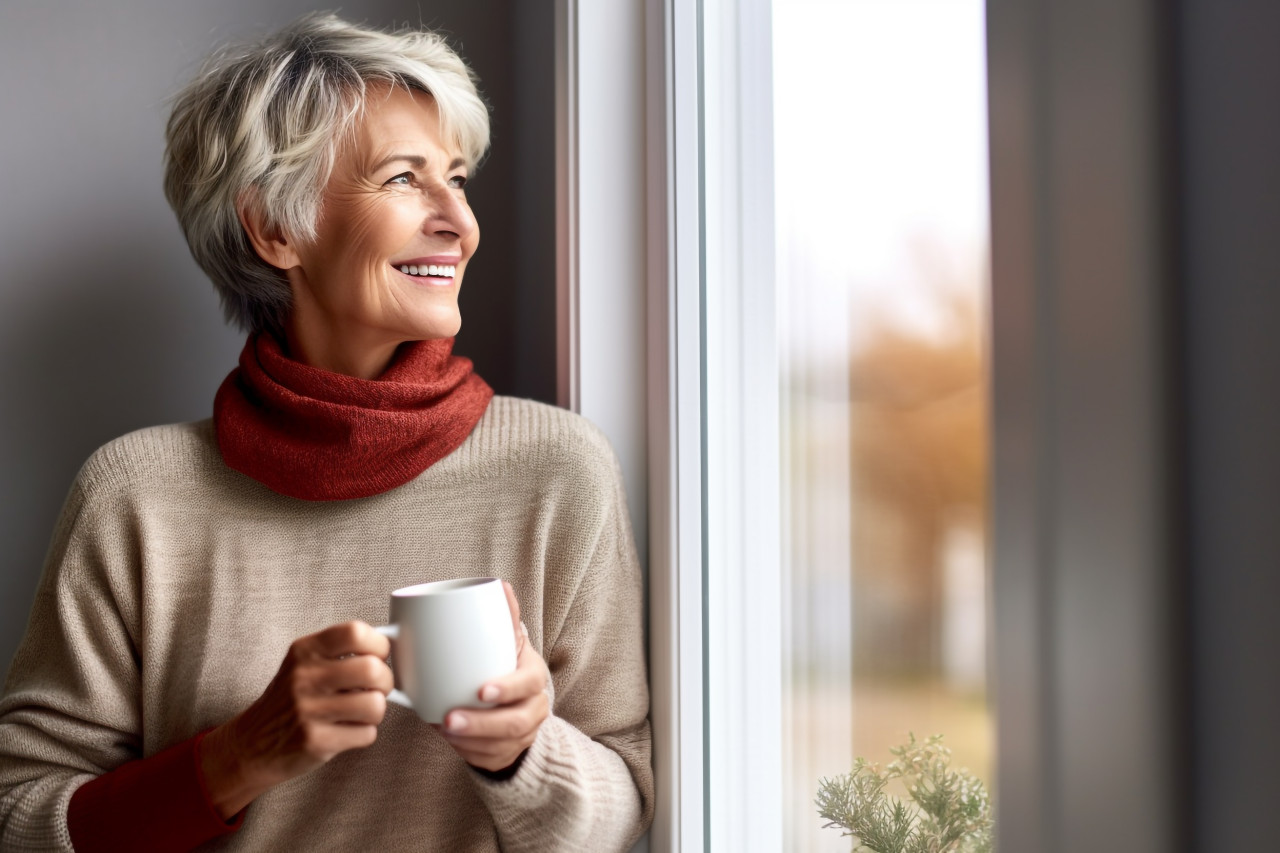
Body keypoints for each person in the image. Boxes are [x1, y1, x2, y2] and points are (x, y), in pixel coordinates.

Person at [0, 12, 653, 852]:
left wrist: (521, 752)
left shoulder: (558, 470)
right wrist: (235, 759)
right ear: (276, 227)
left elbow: (624, 809)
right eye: (404, 179)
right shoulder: (134, 495)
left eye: (456, 179)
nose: (460, 220)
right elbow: (20, 818)